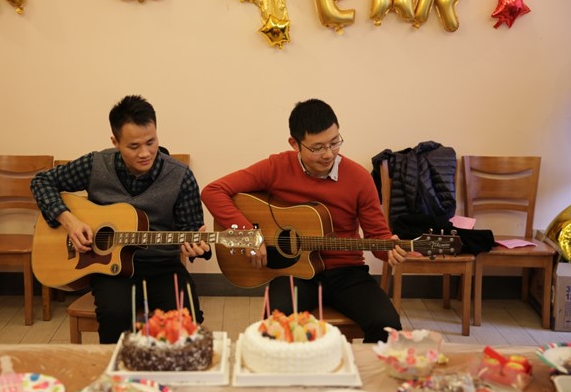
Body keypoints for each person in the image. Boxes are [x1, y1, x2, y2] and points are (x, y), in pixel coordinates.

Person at [201, 98, 407, 343]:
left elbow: (378, 237)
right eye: (317, 147)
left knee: (388, 326)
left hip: (347, 272)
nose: (328, 154)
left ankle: (360, 368)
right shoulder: (276, 167)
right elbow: (213, 191)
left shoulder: (359, 178)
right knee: (276, 325)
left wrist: (390, 249)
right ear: (294, 143)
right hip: (294, 274)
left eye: (334, 142)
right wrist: (249, 235)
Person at [31, 95, 210, 344]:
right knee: (115, 314)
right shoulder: (96, 164)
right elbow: (41, 181)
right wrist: (70, 222)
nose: (145, 153)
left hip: (162, 266)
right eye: (134, 146)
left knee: (186, 319)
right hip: (111, 271)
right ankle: (118, 368)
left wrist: (195, 245)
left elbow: (190, 229)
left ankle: (172, 367)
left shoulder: (180, 176)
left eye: (151, 142)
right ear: (115, 142)